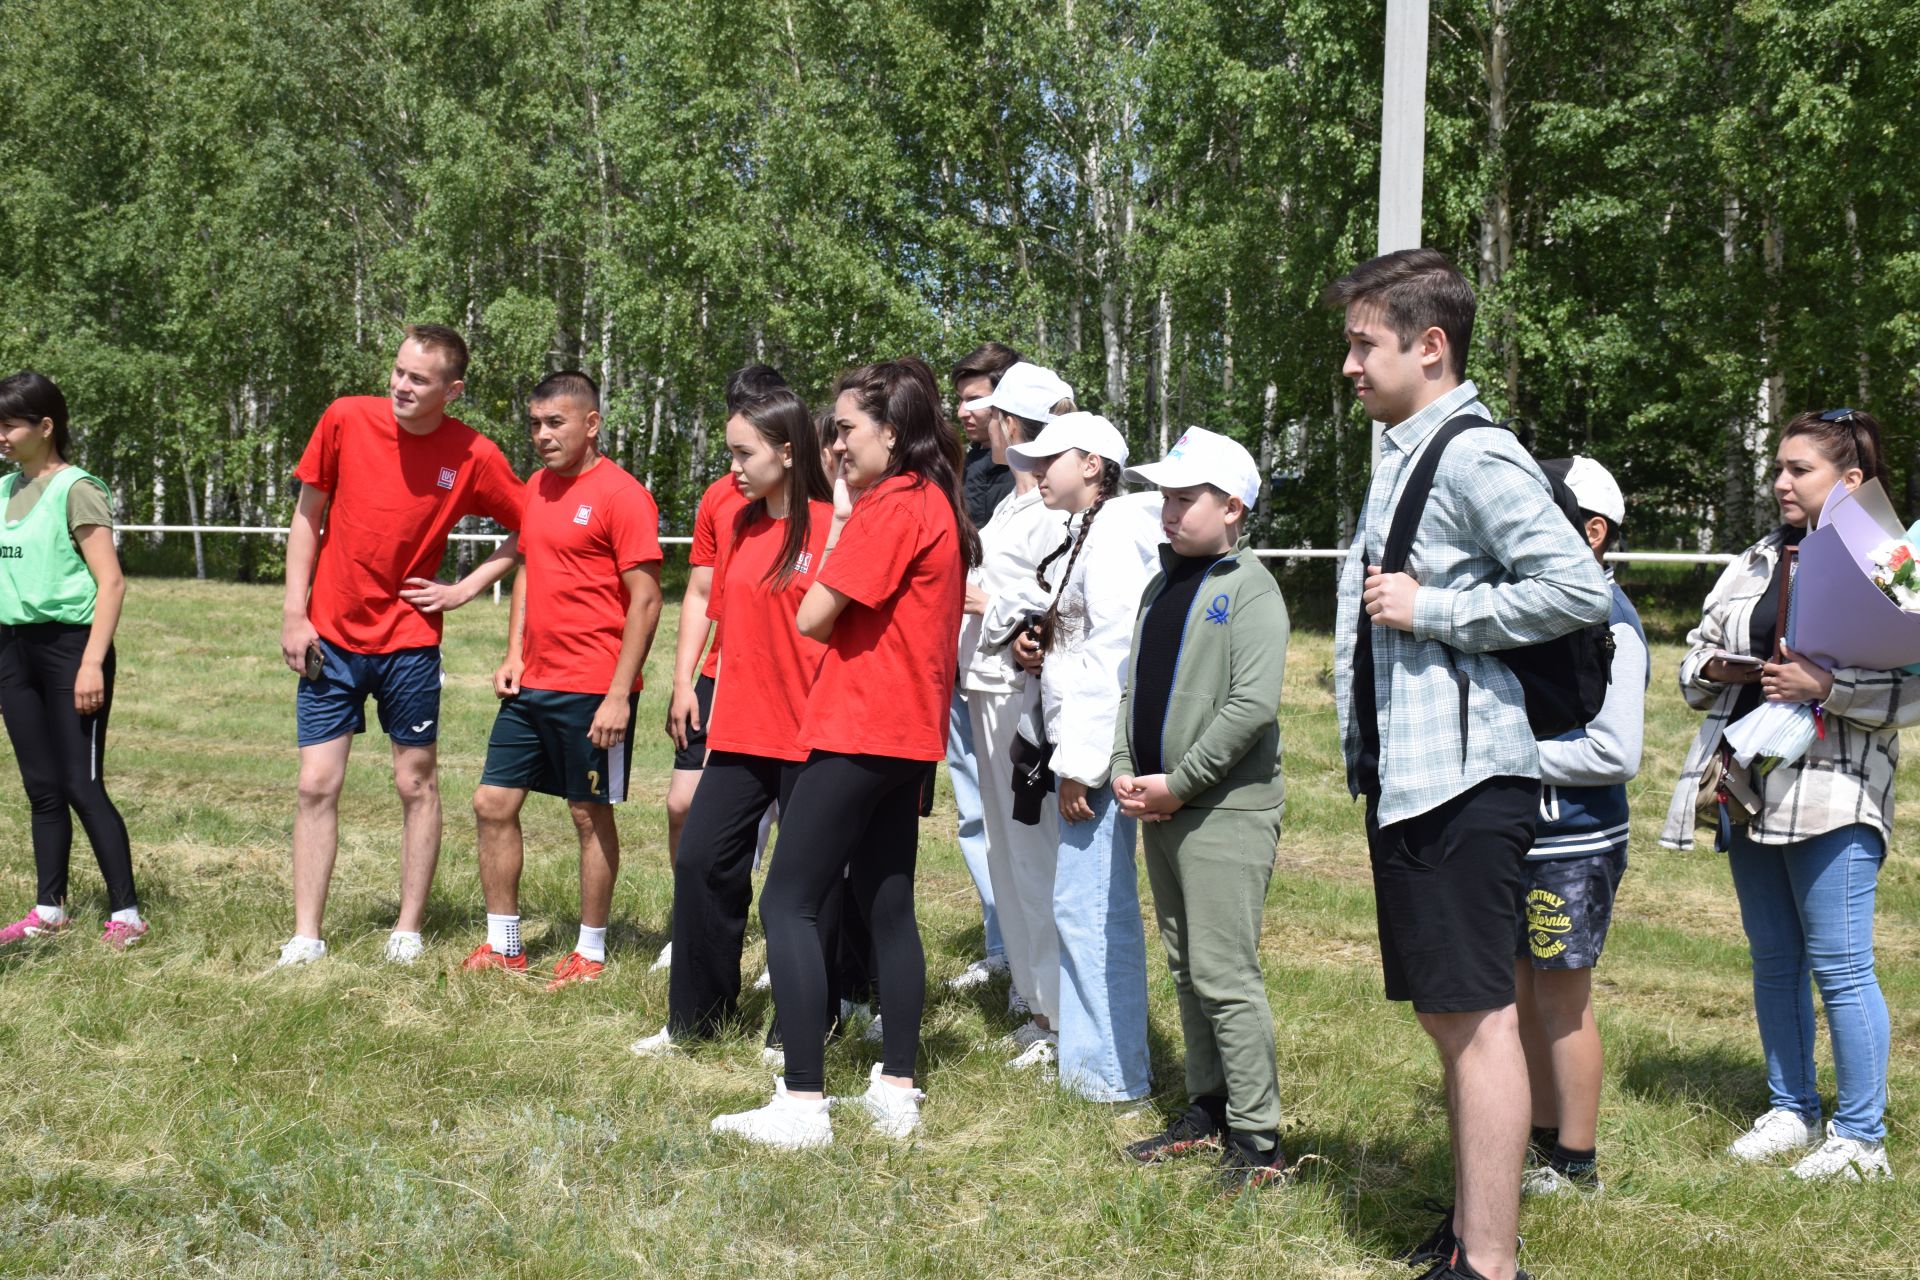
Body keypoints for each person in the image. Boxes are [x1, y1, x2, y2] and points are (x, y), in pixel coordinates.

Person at [1326, 249, 1610, 1280]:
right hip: (1417, 777)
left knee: (1479, 1018)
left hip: (1461, 782)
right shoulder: (1412, 448)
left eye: (1364, 343)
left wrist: (1434, 608)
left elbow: (1575, 586)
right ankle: (1467, 1230)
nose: (1349, 364)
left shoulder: (1473, 452)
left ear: (1429, 345)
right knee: (1456, 1017)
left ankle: (1488, 1262)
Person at [710, 357, 976, 1148]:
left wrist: (848, 511)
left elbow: (814, 616)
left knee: (788, 901)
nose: (833, 442)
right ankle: (897, 1087)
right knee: (889, 904)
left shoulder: (892, 505)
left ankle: (801, 1103)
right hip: (907, 736)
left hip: (858, 725)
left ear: (892, 432)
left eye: (846, 428)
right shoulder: (935, 499)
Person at [1660, 408, 1906, 1182]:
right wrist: (1715, 671)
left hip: (1838, 785)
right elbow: (1693, 656)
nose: (1780, 482)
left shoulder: (1891, 561)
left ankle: (1862, 1138)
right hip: (1749, 781)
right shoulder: (1756, 559)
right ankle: (1791, 1110)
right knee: (1774, 961)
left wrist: (1827, 687)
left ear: (1852, 481)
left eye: (1799, 468)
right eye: (1777, 467)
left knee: (1840, 965)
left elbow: (1913, 687)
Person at [278, 325, 524, 967]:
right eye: (398, 371)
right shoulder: (345, 419)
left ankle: (407, 931)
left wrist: (467, 586)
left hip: (410, 645)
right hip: (328, 636)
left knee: (415, 784)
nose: (402, 386)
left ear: (453, 389)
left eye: (419, 378)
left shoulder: (473, 453)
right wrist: (293, 614)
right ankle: (306, 936)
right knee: (314, 784)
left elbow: (535, 526)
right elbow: (308, 515)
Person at [1109, 427, 1290, 1192]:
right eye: (1166, 498)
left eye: (1188, 499)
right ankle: (1207, 1109)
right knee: (1186, 968)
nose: (1170, 511)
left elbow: (1251, 705)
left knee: (1224, 972)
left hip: (1222, 810)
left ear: (1235, 507)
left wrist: (1182, 781)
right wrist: (1126, 766)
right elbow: (1135, 688)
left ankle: (1259, 1142)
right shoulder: (1162, 585)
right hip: (1165, 803)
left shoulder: (1250, 588)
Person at [629, 385, 833, 1053]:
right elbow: (713, 608)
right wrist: (685, 682)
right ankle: (696, 1019)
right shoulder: (740, 521)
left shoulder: (834, 524)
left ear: (787, 450)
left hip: (813, 734)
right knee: (700, 863)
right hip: (740, 728)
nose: (734, 468)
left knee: (804, 886)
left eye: (745, 454)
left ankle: (801, 1026)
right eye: (729, 454)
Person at [459, 371, 663, 989]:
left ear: (591, 424)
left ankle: (591, 953)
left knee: (586, 813)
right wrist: (513, 651)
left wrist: (619, 695)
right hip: (533, 686)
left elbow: (647, 600)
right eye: (535, 423)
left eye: (556, 423)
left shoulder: (623, 495)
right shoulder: (537, 488)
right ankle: (506, 944)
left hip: (593, 690)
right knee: (492, 803)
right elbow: (527, 568)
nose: (542, 435)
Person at [1006, 412, 1163, 1103]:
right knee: (1081, 903)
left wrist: (1082, 763)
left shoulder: (1118, 533)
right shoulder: (1091, 531)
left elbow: (1112, 656)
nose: (1037, 471)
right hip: (1085, 747)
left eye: (1051, 458)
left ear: (1094, 464)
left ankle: (1108, 1078)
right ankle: (1095, 1064)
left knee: (1091, 907)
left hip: (1094, 757)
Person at [1515, 456, 1646, 1197]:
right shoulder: (1545, 611)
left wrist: (1508, 759)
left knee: (1563, 1001)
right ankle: (1535, 1137)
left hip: (1575, 844)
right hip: (1524, 835)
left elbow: (1616, 751)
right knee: (1520, 991)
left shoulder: (1613, 622)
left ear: (1591, 532)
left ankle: (1577, 1160)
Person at [0, 372, 144, 950]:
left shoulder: (78, 488)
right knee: (41, 786)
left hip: (71, 650)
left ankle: (128, 914)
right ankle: (49, 909)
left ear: (46, 426)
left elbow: (111, 583)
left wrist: (91, 663)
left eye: (9, 425)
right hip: (12, 650)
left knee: (82, 784)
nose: (1, 436)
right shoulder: (5, 488)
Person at [959, 362, 1076, 1061]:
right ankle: (1035, 1003)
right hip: (985, 685)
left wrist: (983, 603)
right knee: (1005, 853)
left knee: (1034, 855)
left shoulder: (1049, 513)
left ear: (1012, 424)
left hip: (1018, 693)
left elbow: (1054, 606)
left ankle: (1060, 1018)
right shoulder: (1010, 505)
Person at [659, 365, 792, 975]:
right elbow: (698, 591)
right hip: (721, 673)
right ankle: (696, 934)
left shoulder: (814, 510)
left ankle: (790, 944)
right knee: (687, 806)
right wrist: (684, 680)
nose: (736, 462)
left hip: (786, 691)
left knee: (793, 829)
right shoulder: (723, 497)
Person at [943, 342, 1024, 992]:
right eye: (960, 398)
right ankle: (1001, 944)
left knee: (1013, 814)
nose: (965, 410)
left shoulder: (1031, 480)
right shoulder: (965, 466)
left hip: (1010, 670)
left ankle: (1024, 952)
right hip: (958, 660)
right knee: (974, 811)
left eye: (977, 397)